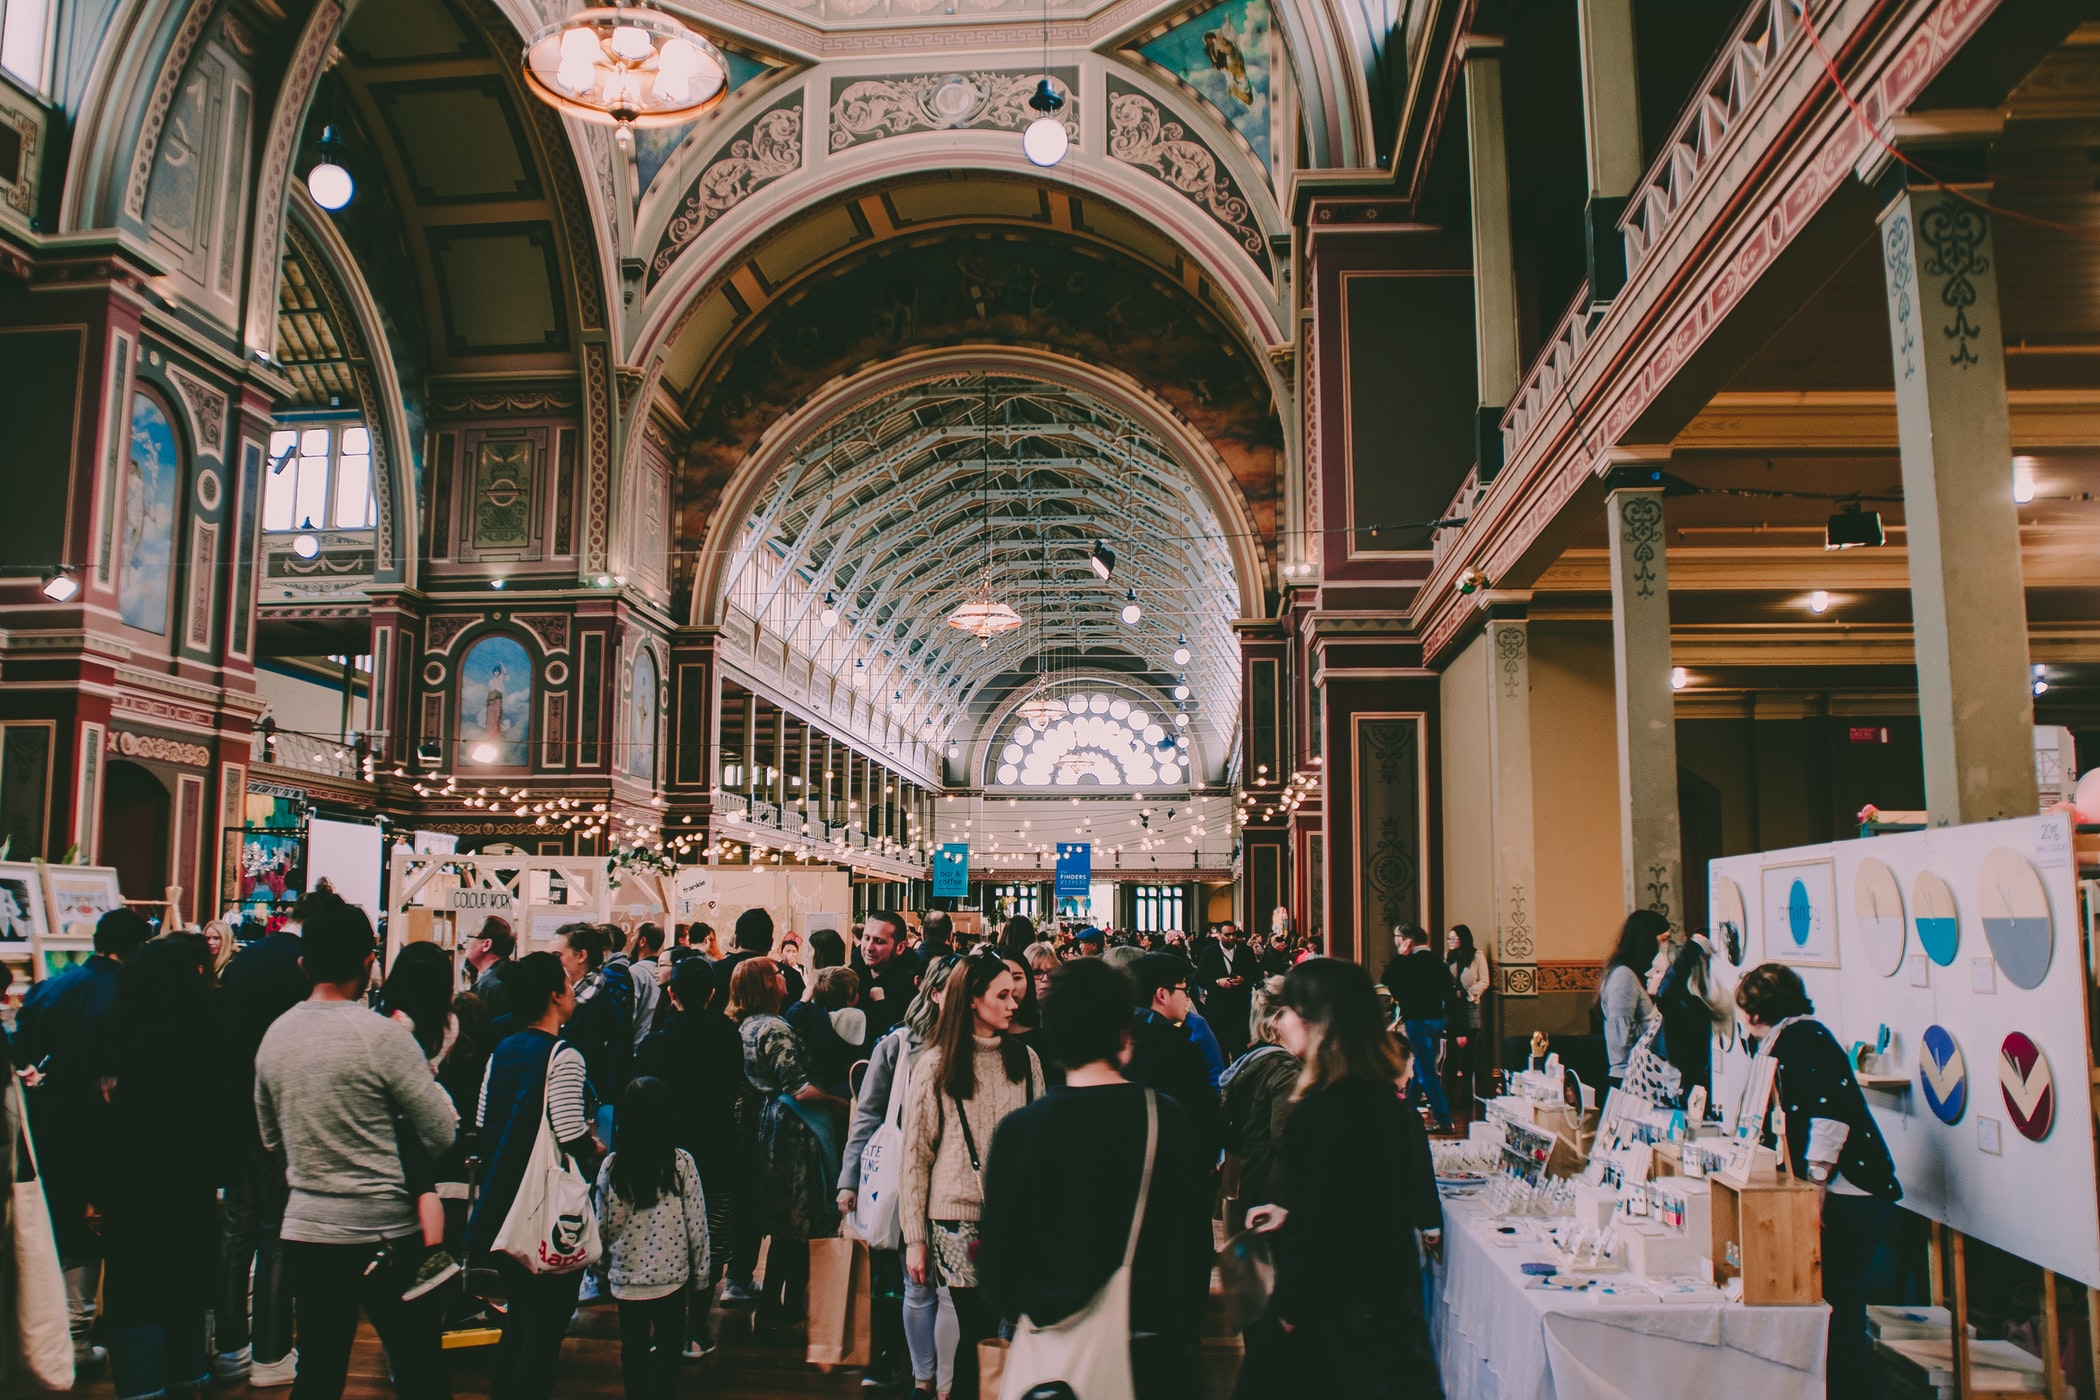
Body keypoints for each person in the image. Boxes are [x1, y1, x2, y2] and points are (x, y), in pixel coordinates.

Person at [978, 958, 1214, 1400]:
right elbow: (1192, 1248)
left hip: (1053, 1361)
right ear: (1125, 1040)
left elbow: (998, 1271)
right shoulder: (1163, 1119)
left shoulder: (1018, 1131)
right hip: (1150, 1349)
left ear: (1055, 1039)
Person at [253, 903, 458, 1400]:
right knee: (418, 1369)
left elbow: (270, 1137)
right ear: (369, 962)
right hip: (384, 1230)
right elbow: (442, 1130)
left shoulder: (275, 1037)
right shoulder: (383, 1037)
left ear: (303, 964)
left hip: (306, 1227)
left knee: (319, 1370)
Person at [1238, 959, 1442, 1399]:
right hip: (1385, 1302)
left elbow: (1323, 1228)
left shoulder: (1318, 1108)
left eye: (1290, 1010)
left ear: (1318, 1022)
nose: (1283, 1021)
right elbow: (1356, 1197)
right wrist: (1293, 1208)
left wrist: (1290, 1305)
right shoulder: (1384, 1101)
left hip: (1333, 1308)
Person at [1734, 963, 1900, 1400]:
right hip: (1842, 1195)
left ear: (1752, 1012)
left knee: (1840, 1318)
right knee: (1835, 1318)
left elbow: (1830, 1112)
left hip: (1851, 1195)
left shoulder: (1803, 1039)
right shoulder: (1791, 1039)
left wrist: (1815, 1183)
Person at [900, 950, 1045, 1400]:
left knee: (1007, 1326)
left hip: (1014, 1218)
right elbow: (915, 1157)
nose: (1013, 1003)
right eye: (1002, 995)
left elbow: (1039, 1142)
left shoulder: (1026, 1060)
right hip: (955, 1219)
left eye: (1013, 994)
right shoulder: (937, 1065)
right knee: (980, 1324)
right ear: (973, 1000)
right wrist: (915, 1240)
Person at [15, 905, 153, 1371]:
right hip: (105, 1128)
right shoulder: (131, 996)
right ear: (136, 949)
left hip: (47, 1124)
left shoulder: (51, 988)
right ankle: (77, 1331)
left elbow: (23, 1055)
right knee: (96, 1228)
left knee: (56, 1224)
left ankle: (47, 1331)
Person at [467, 952, 596, 1400]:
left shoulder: (501, 1050)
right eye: (567, 983)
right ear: (554, 995)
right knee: (546, 1325)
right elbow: (569, 1128)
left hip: (504, 1202)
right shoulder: (564, 1054)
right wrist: (595, 1147)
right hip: (544, 1207)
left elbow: (485, 1120)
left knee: (519, 1318)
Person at [102, 932, 224, 1400]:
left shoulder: (120, 1031)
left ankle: (140, 1388)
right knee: (185, 1287)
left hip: (131, 1181)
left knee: (134, 1291)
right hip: (190, 1182)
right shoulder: (208, 1026)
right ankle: (187, 1379)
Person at [215, 890, 326, 1385]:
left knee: (236, 1230)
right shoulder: (306, 969)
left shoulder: (243, 960)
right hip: (282, 1112)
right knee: (277, 1234)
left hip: (234, 1108)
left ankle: (229, 1344)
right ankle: (272, 1352)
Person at [839, 955, 957, 1400]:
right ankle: (902, 1365)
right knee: (901, 1275)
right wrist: (849, 1181)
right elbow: (867, 1118)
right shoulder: (898, 1046)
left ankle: (929, 1372)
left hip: (951, 1181)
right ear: (934, 993)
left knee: (937, 1282)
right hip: (899, 1178)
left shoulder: (976, 1045)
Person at [634, 957, 743, 1357]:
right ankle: (696, 1328)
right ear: (713, 994)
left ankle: (661, 1328)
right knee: (711, 1240)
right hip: (717, 1148)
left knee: (662, 1234)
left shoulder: (655, 1042)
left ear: (671, 992)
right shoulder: (729, 1035)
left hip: (665, 1152)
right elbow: (734, 1086)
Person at [731, 956, 845, 1330]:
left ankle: (780, 1304)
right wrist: (841, 1104)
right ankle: (783, 1303)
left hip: (770, 1123)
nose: (783, 978)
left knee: (785, 1220)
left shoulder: (746, 1025)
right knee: (800, 1218)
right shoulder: (775, 1029)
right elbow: (800, 1087)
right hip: (795, 1128)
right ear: (767, 984)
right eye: (777, 975)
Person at [596, 1076, 711, 1400]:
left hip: (627, 1277)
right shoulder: (680, 1162)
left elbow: (603, 1224)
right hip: (671, 1277)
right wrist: (701, 1276)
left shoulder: (613, 1166)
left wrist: (602, 1268)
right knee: (669, 1349)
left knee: (632, 1348)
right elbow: (697, 1224)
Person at [377, 940, 468, 1298]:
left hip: (401, 1108)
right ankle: (434, 1250)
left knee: (418, 1182)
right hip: (436, 1104)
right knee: (425, 1184)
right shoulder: (449, 1023)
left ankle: (433, 1253)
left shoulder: (395, 1024)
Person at [1123, 952, 1222, 1163]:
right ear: (1162, 994)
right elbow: (1201, 1117)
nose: (1188, 997)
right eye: (1184, 990)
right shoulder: (1180, 1049)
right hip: (1175, 1166)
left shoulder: (1118, 1041)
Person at [1218, 976, 1300, 1229]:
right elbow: (1287, 1138)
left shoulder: (1255, 1059)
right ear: (1278, 1020)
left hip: (1251, 1178)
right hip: (1275, 1193)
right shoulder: (1286, 1070)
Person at [1380, 926, 1455, 1131]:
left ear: (1406, 940)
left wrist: (1400, 957)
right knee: (1420, 1069)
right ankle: (1406, 1111)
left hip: (1417, 1021)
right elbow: (1448, 992)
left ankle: (1444, 1119)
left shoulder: (1409, 962)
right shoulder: (1438, 962)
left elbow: (1389, 982)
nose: (1395, 941)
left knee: (1427, 1071)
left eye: (1397, 937)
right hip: (1437, 1020)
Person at [557, 922, 631, 1126]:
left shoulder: (604, 1005)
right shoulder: (580, 1000)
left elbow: (608, 1067)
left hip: (587, 1114)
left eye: (558, 956)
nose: (554, 963)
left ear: (581, 956)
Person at [1654, 929, 1728, 1110]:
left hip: (1700, 1094)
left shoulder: (1696, 1007)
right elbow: (1666, 996)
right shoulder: (1687, 1008)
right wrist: (1692, 950)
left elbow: (1665, 995)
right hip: (1688, 1095)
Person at [1600, 910, 1667, 1095]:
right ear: (1647, 939)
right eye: (1664, 939)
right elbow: (1620, 1038)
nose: (1668, 947)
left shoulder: (1634, 974)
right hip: (1627, 1078)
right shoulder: (1623, 975)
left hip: (1638, 1075)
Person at [785, 965, 865, 1097]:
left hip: (816, 1082)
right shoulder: (853, 1017)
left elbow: (791, 1015)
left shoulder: (808, 1014)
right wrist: (880, 1001)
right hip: (845, 1085)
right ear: (853, 999)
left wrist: (804, 999)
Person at [1196, 923, 1258, 1061]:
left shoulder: (1245, 951)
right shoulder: (1209, 952)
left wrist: (1244, 980)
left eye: (1234, 934)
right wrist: (1217, 982)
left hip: (1239, 1006)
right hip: (1218, 1007)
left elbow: (1256, 974)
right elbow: (1200, 977)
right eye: (1227, 935)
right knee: (1220, 1047)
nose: (1231, 937)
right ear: (1219, 935)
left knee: (1240, 1049)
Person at [1443, 925, 1490, 1107]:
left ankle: (1467, 1097)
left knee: (1469, 1054)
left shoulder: (1476, 957)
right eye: (1450, 939)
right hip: (1452, 1009)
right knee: (1452, 1055)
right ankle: (1449, 1096)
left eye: (1455, 939)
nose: (1452, 942)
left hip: (1470, 1006)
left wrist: (1468, 992)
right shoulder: (1448, 958)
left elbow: (1485, 980)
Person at [465, 916, 515, 1020]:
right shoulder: (509, 973)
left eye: (470, 937)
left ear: (486, 944)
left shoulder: (488, 987)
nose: (465, 943)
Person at [629, 924, 667, 1046]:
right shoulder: (665, 972)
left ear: (642, 941)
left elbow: (630, 1014)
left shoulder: (635, 972)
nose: (631, 940)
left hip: (637, 1045)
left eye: (634, 935)